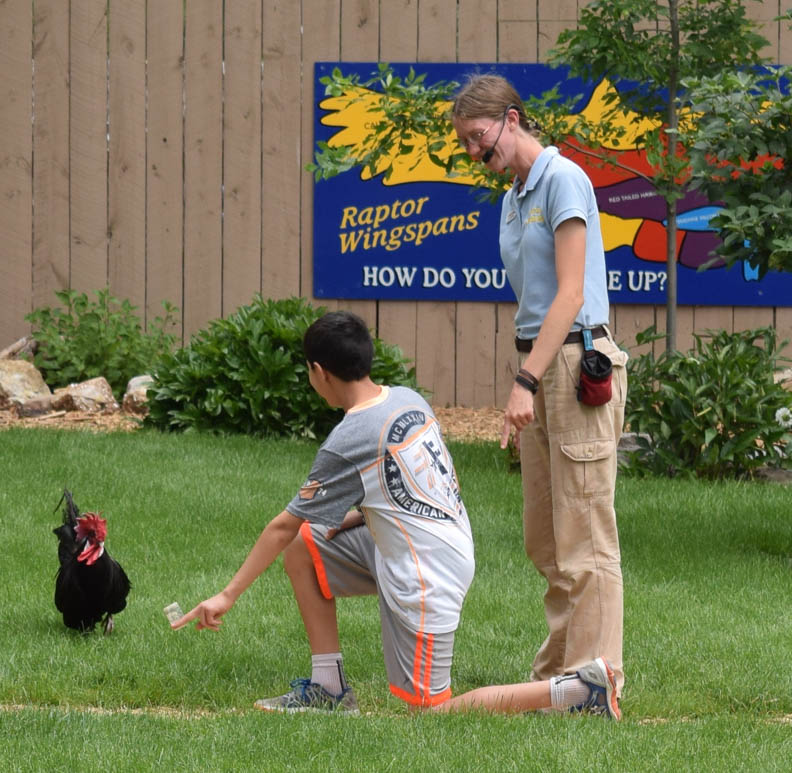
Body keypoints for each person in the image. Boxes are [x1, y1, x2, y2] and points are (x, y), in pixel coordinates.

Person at [172, 310, 620, 719]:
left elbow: (281, 524)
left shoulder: (350, 437)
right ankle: (328, 690)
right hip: (440, 547)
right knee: (304, 546)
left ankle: (580, 690)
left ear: (318, 372)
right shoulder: (406, 398)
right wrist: (357, 519)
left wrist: (226, 596)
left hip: (428, 578)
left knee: (431, 712)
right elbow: (415, 485)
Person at [450, 74, 629, 688]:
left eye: (478, 136)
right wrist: (528, 371)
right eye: (467, 143)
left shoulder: (562, 179)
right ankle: (559, 671)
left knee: (584, 531)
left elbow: (572, 292)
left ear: (513, 117)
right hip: (540, 361)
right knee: (546, 537)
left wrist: (525, 380)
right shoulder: (514, 195)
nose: (475, 152)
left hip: (577, 365)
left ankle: (595, 677)